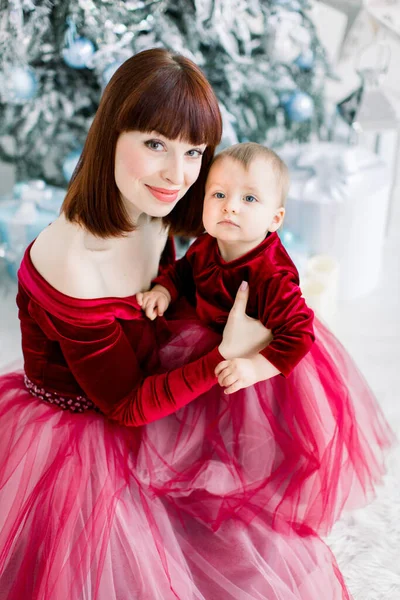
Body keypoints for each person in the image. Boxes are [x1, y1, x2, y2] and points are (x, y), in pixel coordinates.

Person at [0, 48, 392, 600]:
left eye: (194, 152)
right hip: (92, 428)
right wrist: (224, 357)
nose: (178, 175)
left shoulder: (153, 211)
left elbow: (187, 279)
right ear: (111, 132)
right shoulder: (74, 262)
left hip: (153, 386)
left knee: (244, 524)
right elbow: (126, 407)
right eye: (155, 144)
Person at [138, 142, 315, 393]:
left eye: (249, 198)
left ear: (275, 219)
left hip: (255, 364)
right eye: (219, 194)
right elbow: (184, 271)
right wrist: (164, 291)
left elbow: (300, 333)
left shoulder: (272, 275)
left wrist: (254, 368)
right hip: (205, 340)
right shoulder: (206, 243)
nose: (230, 206)